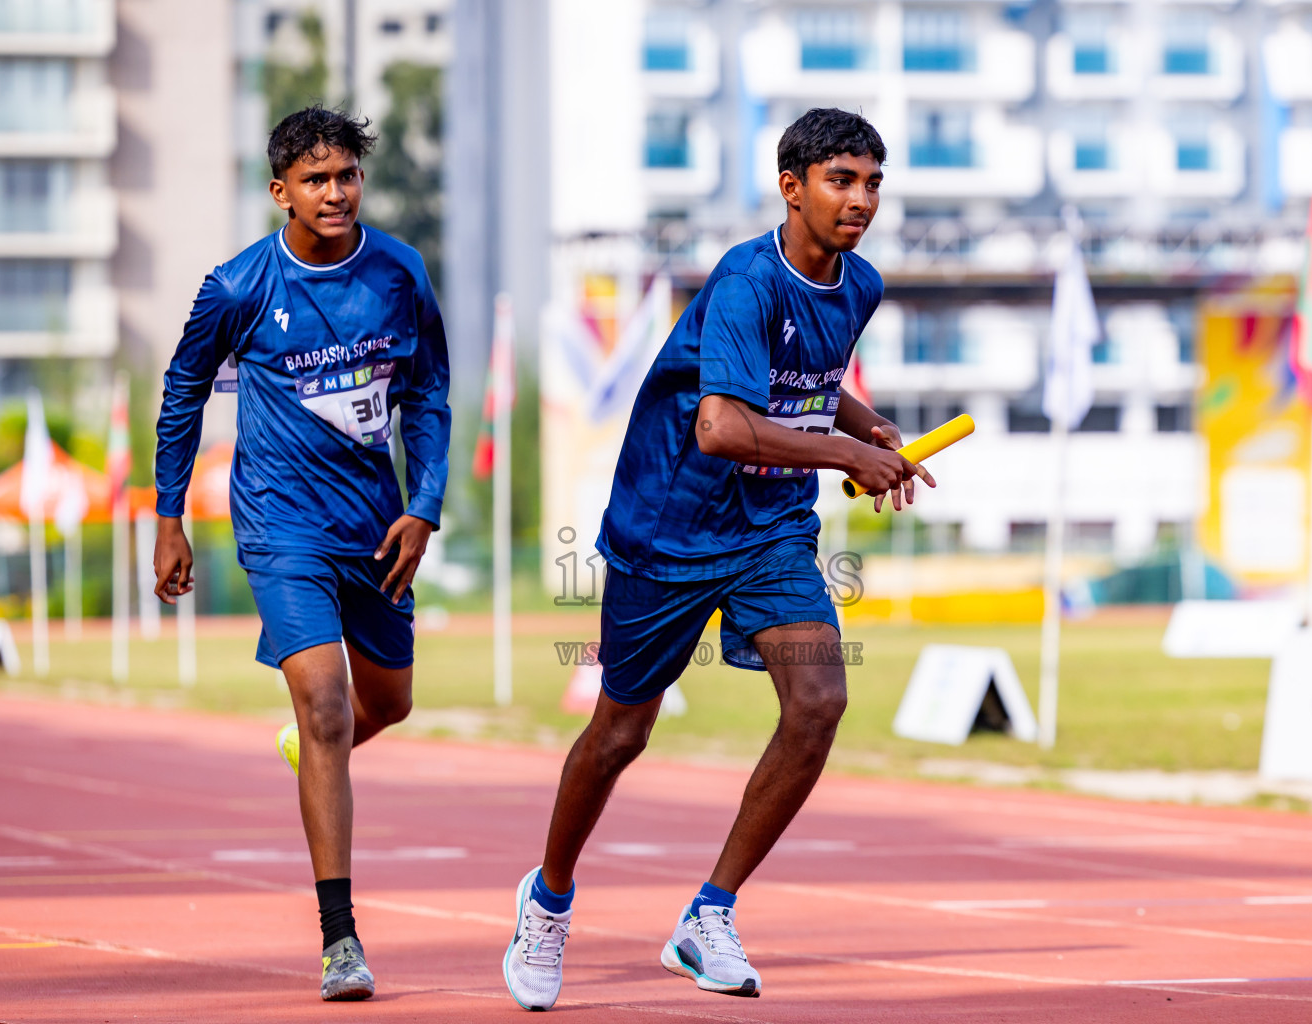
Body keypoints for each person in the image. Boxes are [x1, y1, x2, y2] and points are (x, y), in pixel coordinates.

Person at [502, 107, 931, 1011]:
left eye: (873, 182)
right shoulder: (746, 281)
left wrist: (866, 423)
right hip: (671, 527)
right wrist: (853, 458)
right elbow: (723, 423)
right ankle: (547, 898)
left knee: (820, 699)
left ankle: (709, 914)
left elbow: (807, 384)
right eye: (841, 181)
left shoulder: (861, 285)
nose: (862, 200)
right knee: (621, 733)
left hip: (772, 527)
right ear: (791, 187)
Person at [151, 106, 450, 1002]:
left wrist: (424, 508)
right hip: (280, 527)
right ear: (280, 191)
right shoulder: (238, 286)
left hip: (377, 526)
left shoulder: (400, 272)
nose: (335, 192)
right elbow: (182, 392)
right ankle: (340, 939)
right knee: (327, 706)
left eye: (347, 175)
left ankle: (311, 744)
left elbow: (429, 392)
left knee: (386, 704)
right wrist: (169, 517)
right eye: (315, 179)